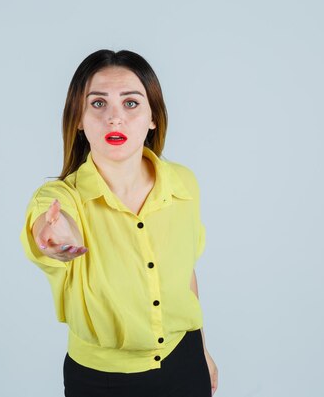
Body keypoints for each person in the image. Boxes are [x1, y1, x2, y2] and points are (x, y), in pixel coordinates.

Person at [20, 49, 218, 397]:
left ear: (153, 117)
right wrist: (55, 237)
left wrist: (201, 350)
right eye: (98, 103)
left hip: (183, 361)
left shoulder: (184, 184)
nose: (115, 118)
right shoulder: (59, 196)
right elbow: (48, 224)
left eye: (131, 103)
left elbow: (185, 274)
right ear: (78, 118)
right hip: (102, 380)